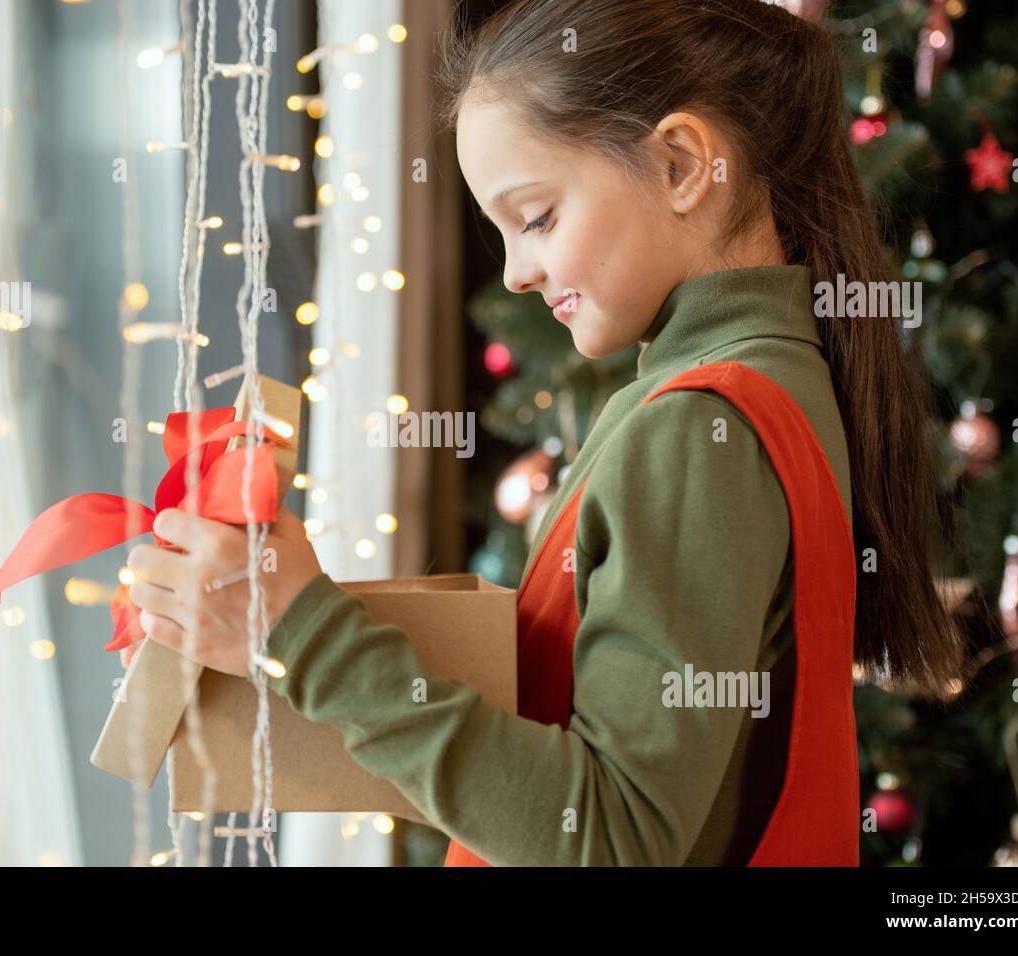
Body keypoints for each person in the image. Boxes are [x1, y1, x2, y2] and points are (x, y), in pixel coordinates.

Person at [122, 0, 964, 866]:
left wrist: (306, 629)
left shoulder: (695, 429)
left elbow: (611, 836)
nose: (518, 273)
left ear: (680, 164)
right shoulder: (775, 383)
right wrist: (291, 644)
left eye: (536, 217)